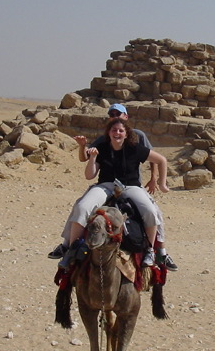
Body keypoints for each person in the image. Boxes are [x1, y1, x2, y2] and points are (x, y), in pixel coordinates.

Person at [49, 103, 178, 271]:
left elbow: (161, 160)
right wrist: (91, 157)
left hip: (131, 186)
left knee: (151, 211)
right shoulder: (101, 146)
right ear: (109, 132)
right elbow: (89, 175)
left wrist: (161, 183)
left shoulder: (135, 146)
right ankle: (71, 249)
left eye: (121, 130)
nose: (117, 133)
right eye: (114, 130)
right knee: (82, 207)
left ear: (126, 133)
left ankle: (152, 251)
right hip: (106, 185)